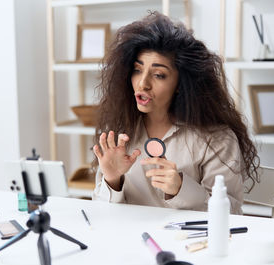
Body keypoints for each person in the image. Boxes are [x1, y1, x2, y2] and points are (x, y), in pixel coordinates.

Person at [91, 11, 259, 215]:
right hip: (131, 242)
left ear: (181, 84)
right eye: (137, 70)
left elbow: (231, 213)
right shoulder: (120, 132)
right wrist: (111, 179)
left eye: (159, 75)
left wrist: (181, 189)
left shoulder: (217, 139)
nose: (142, 83)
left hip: (190, 243)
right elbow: (100, 214)